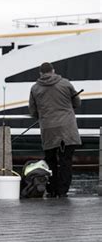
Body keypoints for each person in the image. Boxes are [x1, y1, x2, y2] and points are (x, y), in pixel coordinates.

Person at [28, 62, 81, 198]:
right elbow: (77, 103)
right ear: (53, 71)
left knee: (51, 161)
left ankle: (52, 190)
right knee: (66, 161)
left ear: (40, 73)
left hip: (48, 130)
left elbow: (33, 111)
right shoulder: (65, 83)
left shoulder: (35, 88)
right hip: (67, 129)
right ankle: (63, 192)